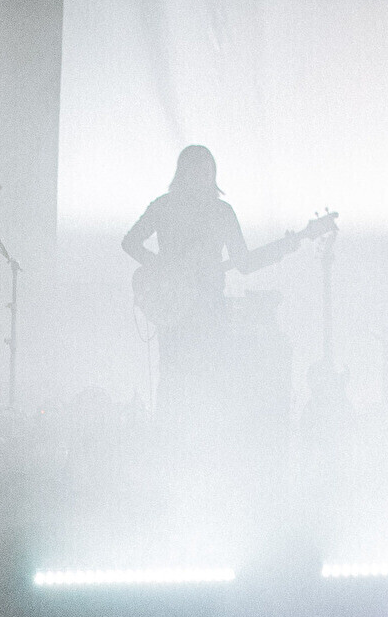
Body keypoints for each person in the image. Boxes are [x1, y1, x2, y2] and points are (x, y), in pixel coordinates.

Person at [120, 144, 316, 421]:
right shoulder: (169, 207)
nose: (202, 178)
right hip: (181, 311)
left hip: (206, 310)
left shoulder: (216, 211)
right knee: (180, 381)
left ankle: (186, 435)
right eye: (196, 172)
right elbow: (130, 242)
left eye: (206, 172)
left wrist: (283, 248)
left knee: (198, 382)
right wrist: (163, 268)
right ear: (183, 173)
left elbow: (243, 263)